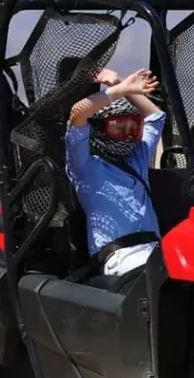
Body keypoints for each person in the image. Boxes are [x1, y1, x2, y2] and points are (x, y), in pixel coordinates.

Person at [64, 66, 166, 277]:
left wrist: (119, 81)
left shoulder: (136, 158)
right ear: (100, 128)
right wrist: (119, 89)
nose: (128, 135)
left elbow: (156, 117)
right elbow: (78, 113)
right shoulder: (85, 166)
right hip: (120, 257)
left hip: (155, 249)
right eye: (119, 127)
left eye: (134, 127)